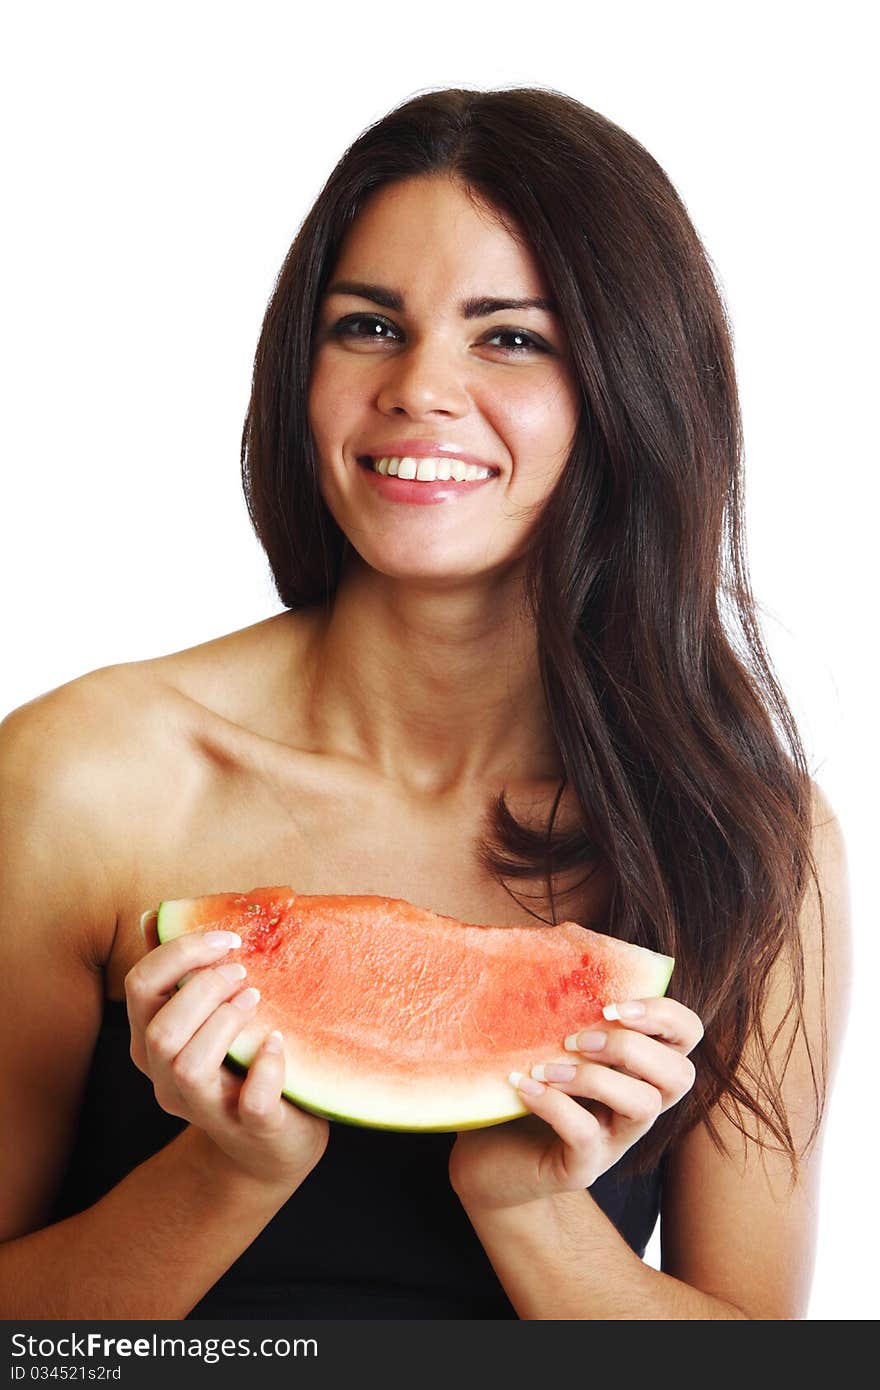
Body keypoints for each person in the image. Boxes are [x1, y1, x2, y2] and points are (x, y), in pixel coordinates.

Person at [0, 86, 850, 1320]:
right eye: (366, 326)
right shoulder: (83, 781)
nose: (419, 389)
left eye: (509, 337)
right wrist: (221, 1178)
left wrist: (534, 1214)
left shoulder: (752, 839)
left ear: (627, 390)